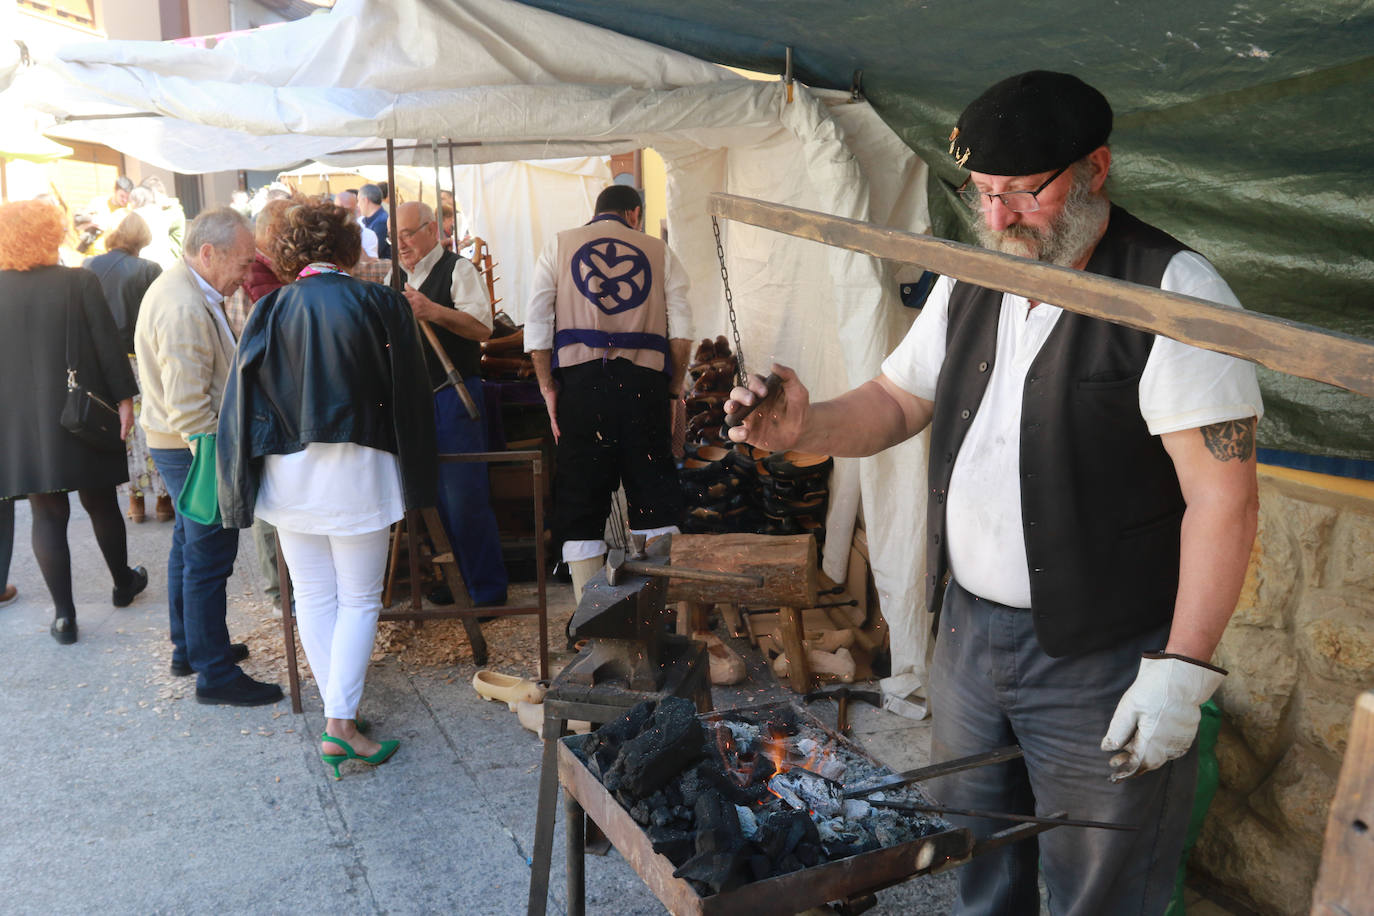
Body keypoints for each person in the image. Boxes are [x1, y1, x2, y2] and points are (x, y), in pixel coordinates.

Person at [726, 71, 1263, 915]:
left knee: (1102, 883)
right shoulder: (976, 275)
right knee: (979, 854)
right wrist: (804, 427)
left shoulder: (1176, 294)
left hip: (1101, 655)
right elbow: (897, 401)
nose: (1000, 217)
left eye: (1023, 193)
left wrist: (1183, 669)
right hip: (971, 635)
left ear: (1096, 168)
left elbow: (1223, 497)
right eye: (982, 194)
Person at [218, 201, 436, 777]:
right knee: (360, 598)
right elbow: (412, 396)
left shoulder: (271, 307)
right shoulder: (382, 303)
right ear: (347, 248)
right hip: (361, 468)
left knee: (313, 597)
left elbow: (244, 400)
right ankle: (340, 725)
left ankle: (339, 717)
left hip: (288, 471)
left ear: (289, 253)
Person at [135, 207, 282, 706]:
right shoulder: (182, 305)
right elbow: (189, 407)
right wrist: (217, 459)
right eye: (241, 263)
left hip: (179, 443)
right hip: (193, 446)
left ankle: (191, 648)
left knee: (189, 547)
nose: (246, 275)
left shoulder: (188, 289)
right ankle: (214, 675)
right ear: (207, 253)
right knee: (208, 557)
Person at [526, 184, 692, 601]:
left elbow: (537, 327)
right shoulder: (658, 251)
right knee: (652, 491)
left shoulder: (559, 246)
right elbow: (684, 334)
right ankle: (659, 614)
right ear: (634, 213)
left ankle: (589, 622)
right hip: (643, 387)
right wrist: (672, 391)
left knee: (581, 496)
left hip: (580, 390)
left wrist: (548, 388)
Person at [0, 200, 149, 643]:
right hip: (80, 410)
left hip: (19, 421)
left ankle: (64, 617)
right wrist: (125, 399)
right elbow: (107, 346)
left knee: (46, 513)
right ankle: (123, 583)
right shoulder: (78, 281)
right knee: (101, 501)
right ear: (51, 234)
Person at [396, 200, 508, 607]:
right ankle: (459, 583)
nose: (402, 243)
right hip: (417, 401)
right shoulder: (398, 278)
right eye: (397, 236)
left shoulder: (459, 269)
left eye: (409, 233)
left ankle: (487, 592)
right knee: (435, 500)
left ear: (431, 230)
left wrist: (433, 311)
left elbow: (482, 327)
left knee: (465, 499)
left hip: (454, 395)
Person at [82, 211, 171, 524]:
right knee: (152, 426)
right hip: (142, 358)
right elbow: (162, 316)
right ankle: (162, 499)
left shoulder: (88, 266)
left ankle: (133, 502)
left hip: (103, 362)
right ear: (141, 238)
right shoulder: (149, 269)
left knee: (121, 431)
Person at [334, 190, 379, 258]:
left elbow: (370, 265)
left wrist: (353, 238)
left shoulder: (368, 235)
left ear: (357, 210)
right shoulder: (326, 232)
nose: (341, 213)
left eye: (347, 210)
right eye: (338, 209)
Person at [359, 183, 390, 259]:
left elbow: (373, 254)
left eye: (358, 200)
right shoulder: (368, 220)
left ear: (365, 200)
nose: (358, 205)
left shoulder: (381, 222)